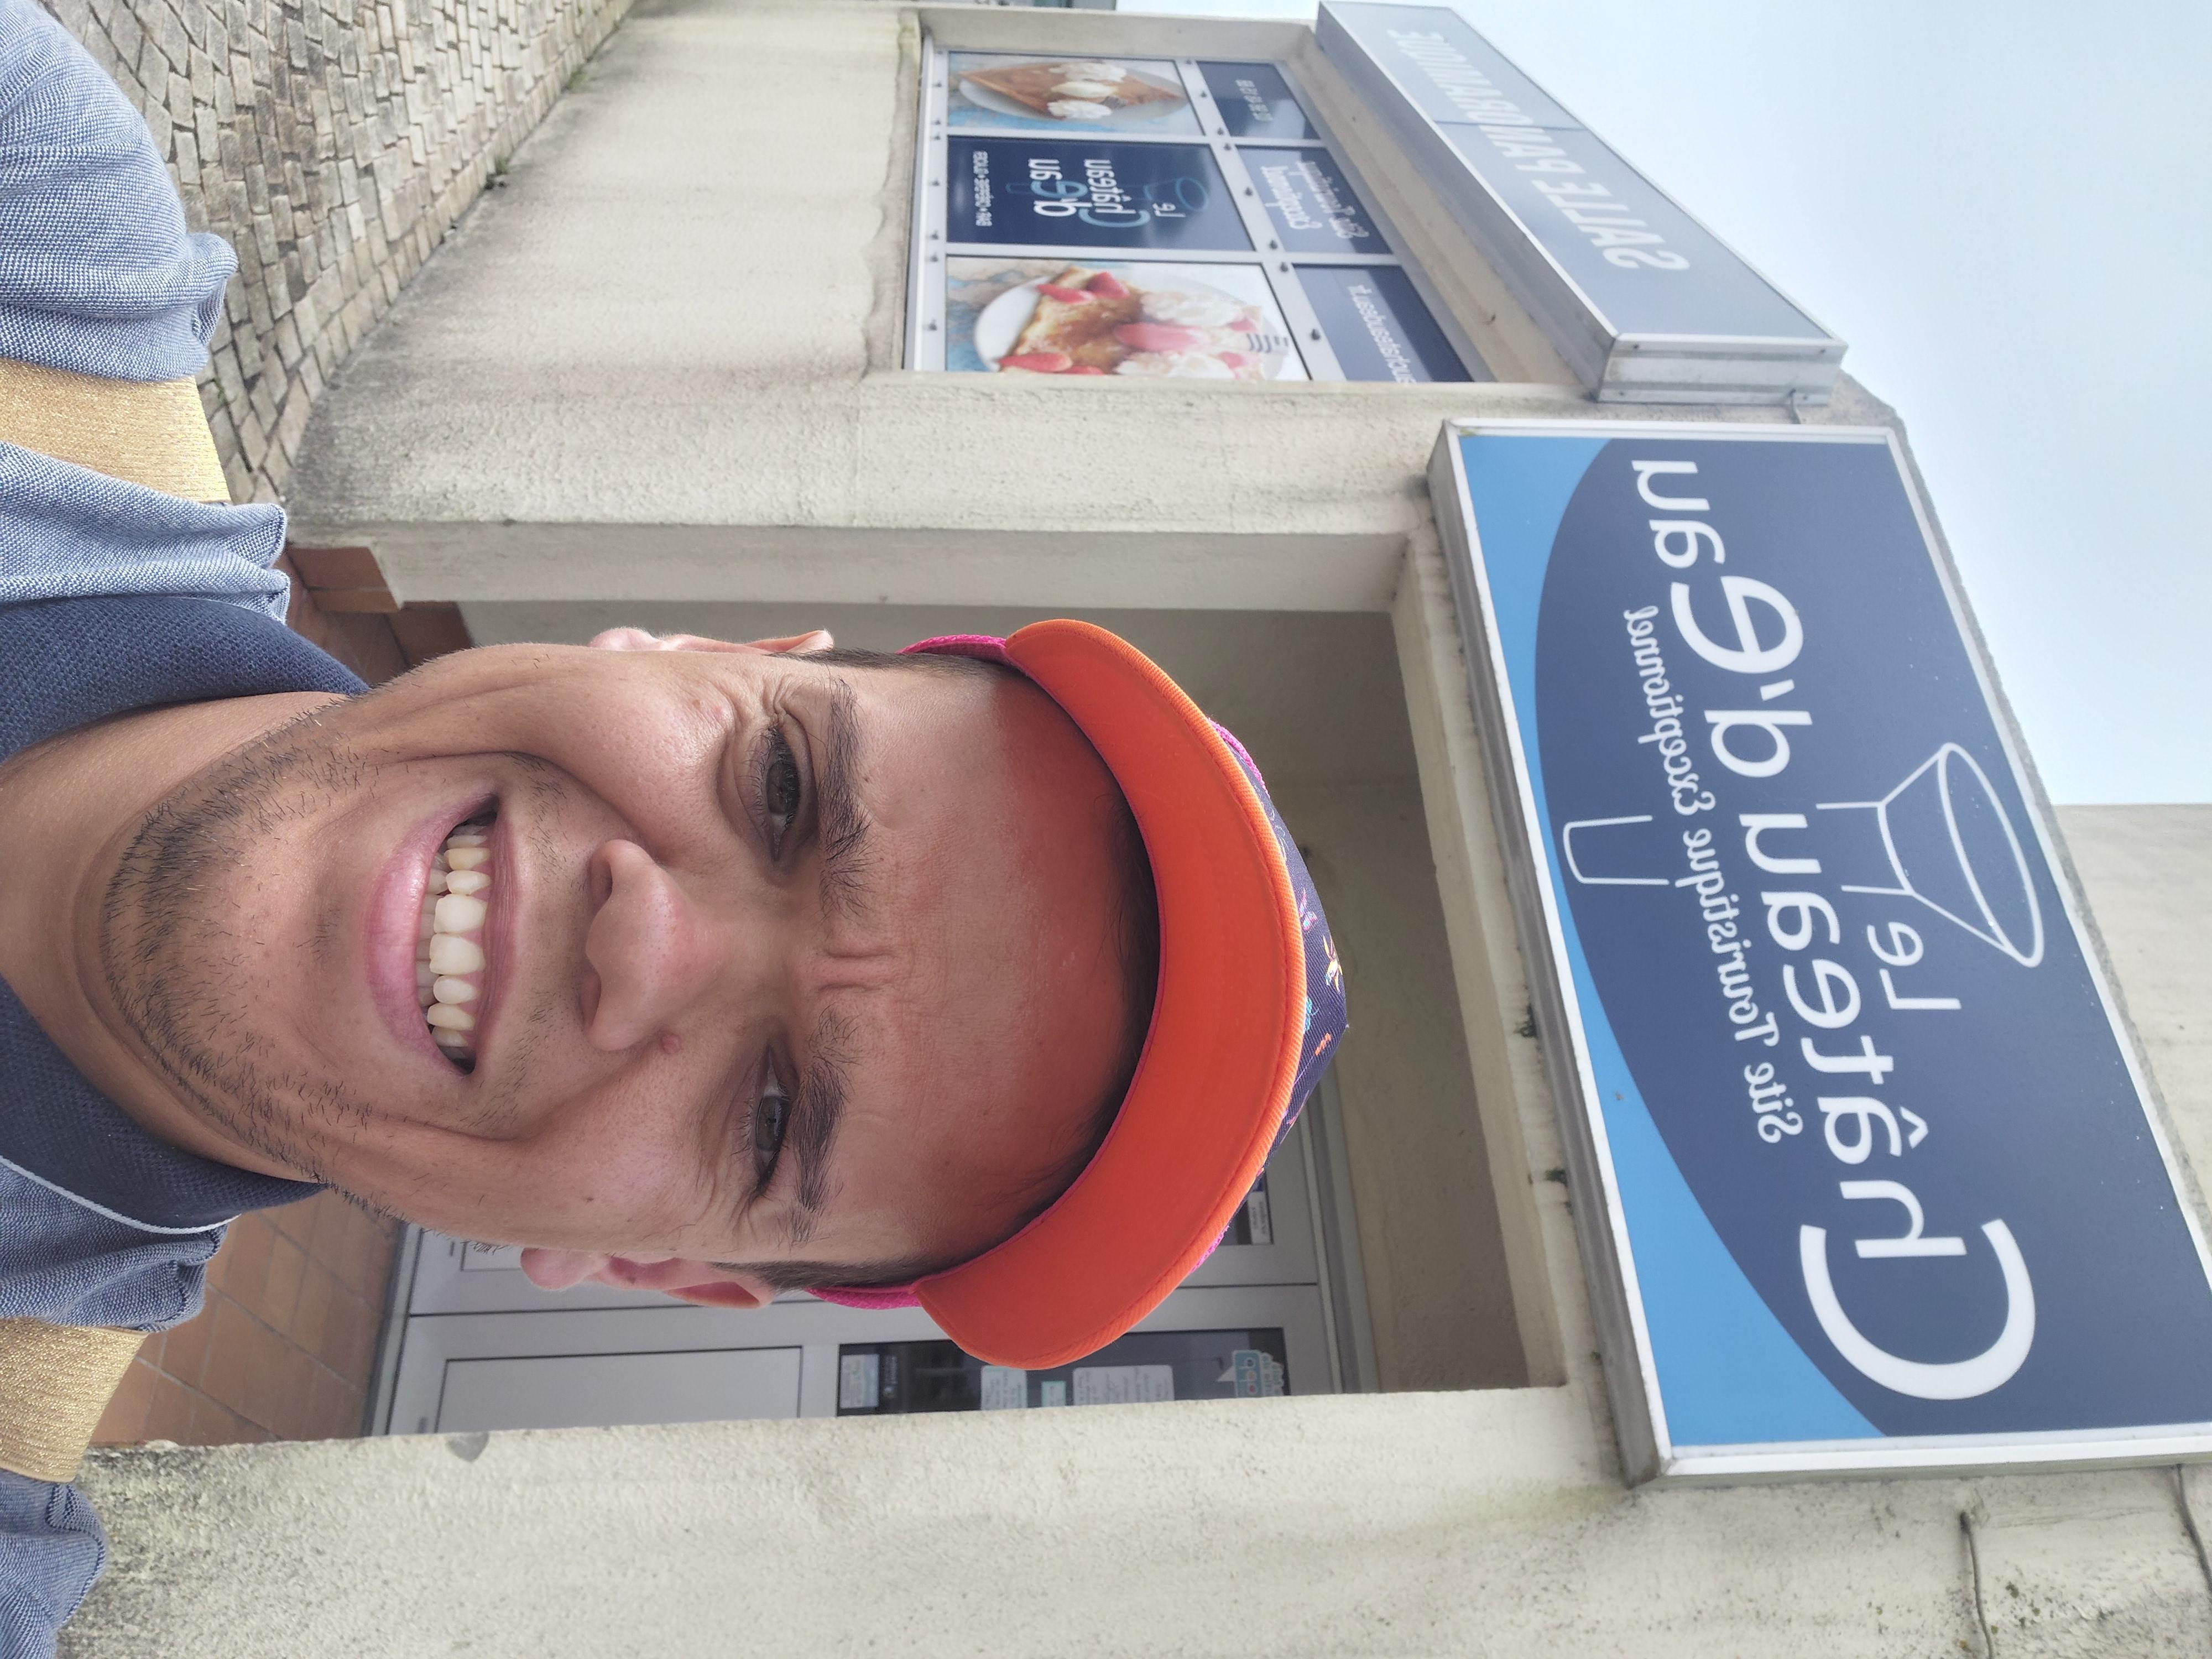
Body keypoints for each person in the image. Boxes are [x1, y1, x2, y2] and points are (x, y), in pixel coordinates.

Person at [0, 3, 1347, 1652]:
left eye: (773, 1119)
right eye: (783, 789)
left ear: (658, 1270)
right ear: (706, 648)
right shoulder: (37, 242)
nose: (647, 938)